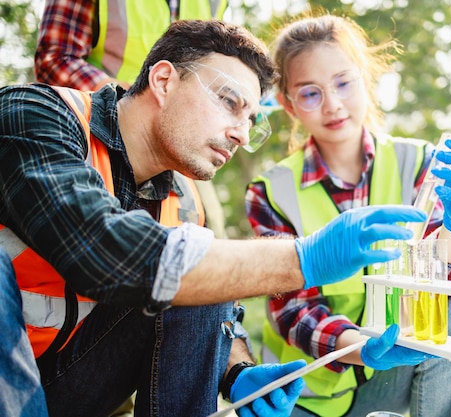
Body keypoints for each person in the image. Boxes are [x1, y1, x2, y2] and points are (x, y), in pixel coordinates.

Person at [0, 19, 428, 417]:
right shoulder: (37, 115)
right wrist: (303, 259)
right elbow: (99, 247)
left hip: (66, 382)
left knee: (204, 266)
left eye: (250, 120)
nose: (242, 134)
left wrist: (237, 371)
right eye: (229, 102)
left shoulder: (185, 201)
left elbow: (213, 298)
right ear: (164, 80)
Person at [245, 14, 451, 417]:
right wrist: (359, 347)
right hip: (307, 391)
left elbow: (446, 287)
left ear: (366, 78)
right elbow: (294, 312)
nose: (333, 105)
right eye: (310, 93)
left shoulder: (419, 164)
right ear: (289, 105)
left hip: (391, 373)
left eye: (344, 82)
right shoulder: (271, 192)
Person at [35, 0, 229, 239]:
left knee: (210, 230)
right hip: (98, 127)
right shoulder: (29, 111)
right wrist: (133, 100)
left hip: (182, 135)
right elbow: (55, 59)